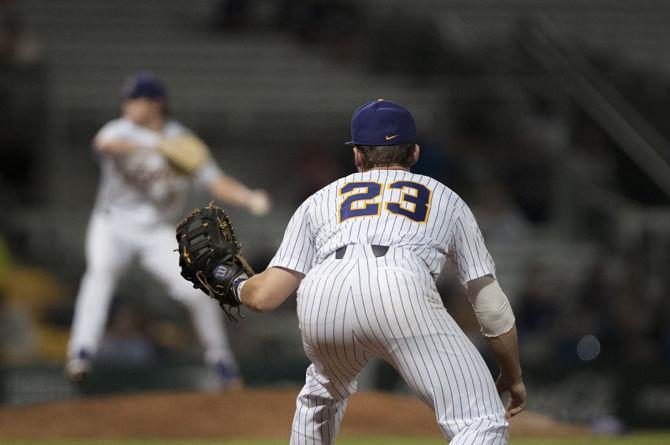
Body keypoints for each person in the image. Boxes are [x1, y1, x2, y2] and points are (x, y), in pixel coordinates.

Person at [231, 99, 526, 443]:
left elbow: (265, 297)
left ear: (357, 155)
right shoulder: (444, 197)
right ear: (414, 153)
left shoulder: (319, 200)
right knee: (482, 422)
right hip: (399, 284)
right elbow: (489, 304)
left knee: (321, 395)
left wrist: (233, 283)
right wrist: (512, 371)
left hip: (322, 292)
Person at [65, 71, 271, 388]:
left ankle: (222, 362)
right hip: (112, 224)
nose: (129, 105)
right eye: (128, 99)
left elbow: (216, 181)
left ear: (157, 103)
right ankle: (81, 353)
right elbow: (104, 145)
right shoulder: (120, 130)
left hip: (156, 231)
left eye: (136, 99)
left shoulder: (183, 141)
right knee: (100, 275)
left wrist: (247, 196)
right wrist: (155, 148)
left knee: (198, 291)